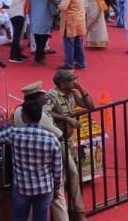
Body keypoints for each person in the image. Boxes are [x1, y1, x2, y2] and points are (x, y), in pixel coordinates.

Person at [0, 100, 63, 221]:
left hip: (22, 187)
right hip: (44, 188)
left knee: (19, 218)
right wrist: (56, 187)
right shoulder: (51, 138)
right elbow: (57, 168)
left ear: (25, 116)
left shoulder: (14, 133)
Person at [46, 69, 94, 220]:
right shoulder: (51, 95)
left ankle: (67, 210)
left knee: (66, 175)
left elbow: (90, 105)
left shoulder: (72, 93)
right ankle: (79, 212)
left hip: (69, 139)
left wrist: (81, 89)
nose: (74, 81)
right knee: (73, 173)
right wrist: (67, 119)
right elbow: (45, 113)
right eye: (71, 80)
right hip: (58, 141)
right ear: (62, 84)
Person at [58, 0, 88, 70]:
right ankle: (81, 63)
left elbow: (63, 7)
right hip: (80, 19)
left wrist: (54, 2)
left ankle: (69, 64)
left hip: (70, 20)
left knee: (69, 43)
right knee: (78, 42)